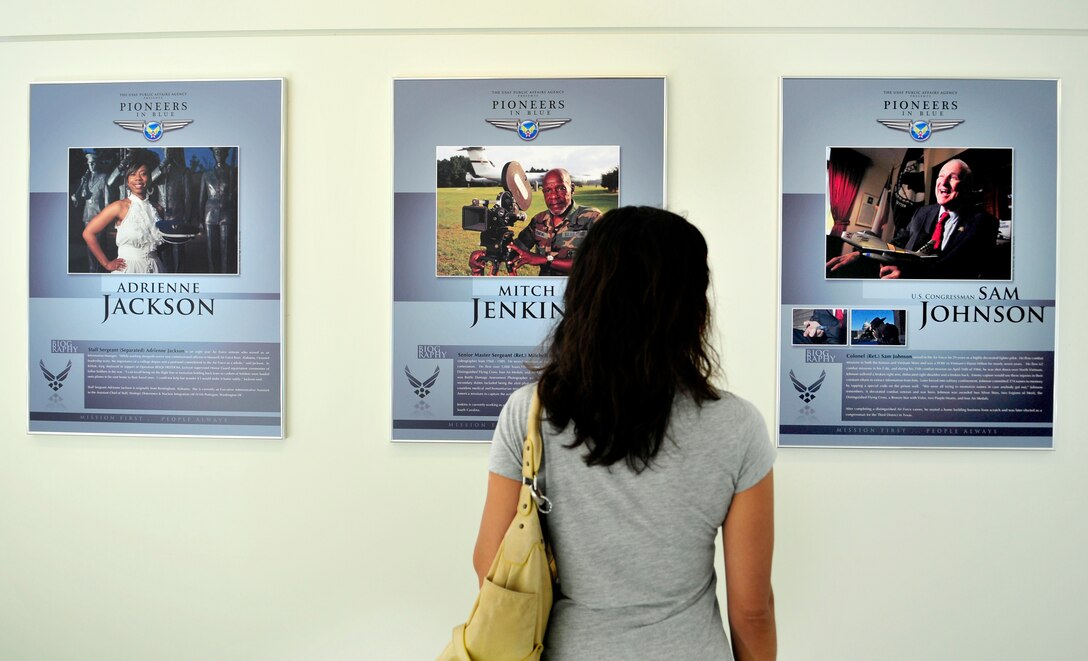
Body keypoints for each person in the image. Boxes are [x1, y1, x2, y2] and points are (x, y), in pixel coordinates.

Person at [475, 207, 777, 659]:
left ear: (582, 296)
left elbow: (490, 563)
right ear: (692, 306)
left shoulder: (530, 413)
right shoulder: (738, 427)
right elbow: (752, 610)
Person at [827, 158, 1000, 279]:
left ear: (967, 187)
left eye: (953, 178)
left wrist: (910, 277)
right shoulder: (922, 213)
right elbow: (896, 244)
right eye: (941, 176)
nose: (943, 183)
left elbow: (961, 271)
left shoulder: (985, 223)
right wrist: (861, 255)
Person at [82, 149, 165, 274]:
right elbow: (88, 233)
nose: (138, 178)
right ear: (127, 181)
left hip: (156, 268)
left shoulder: (157, 209)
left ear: (149, 178)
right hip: (129, 268)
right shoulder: (119, 207)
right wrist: (106, 263)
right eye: (133, 174)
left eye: (143, 174)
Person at [509, 168, 600, 276]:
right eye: (547, 190)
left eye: (560, 188)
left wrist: (545, 260)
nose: (553, 196)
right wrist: (489, 252)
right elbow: (515, 249)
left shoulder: (592, 218)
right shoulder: (539, 220)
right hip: (546, 290)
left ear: (572, 189)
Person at [71, 150, 113, 272]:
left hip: (98, 217)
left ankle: (100, 270)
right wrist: (78, 194)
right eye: (89, 164)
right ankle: (92, 270)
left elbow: (107, 201)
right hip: (87, 217)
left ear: (98, 163)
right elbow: (81, 198)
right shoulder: (86, 179)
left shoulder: (104, 178)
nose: (91, 166)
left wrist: (106, 219)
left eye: (93, 163)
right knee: (90, 248)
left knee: (99, 248)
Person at [198, 147, 237, 274]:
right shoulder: (207, 174)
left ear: (226, 154)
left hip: (227, 213)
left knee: (227, 250)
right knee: (211, 249)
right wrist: (200, 220)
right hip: (210, 215)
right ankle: (213, 275)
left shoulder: (233, 173)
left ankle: (226, 276)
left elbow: (236, 196)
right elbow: (201, 199)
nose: (219, 154)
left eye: (221, 152)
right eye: (216, 152)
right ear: (214, 155)